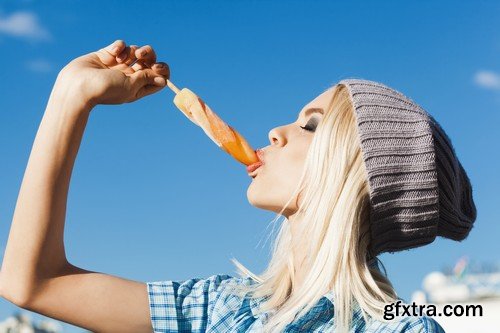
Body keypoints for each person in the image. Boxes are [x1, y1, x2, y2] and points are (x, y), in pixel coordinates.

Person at [0, 40, 476, 332]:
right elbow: (34, 284)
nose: (276, 131)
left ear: (364, 176)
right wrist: (71, 97)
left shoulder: (401, 330)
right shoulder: (221, 308)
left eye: (311, 126)